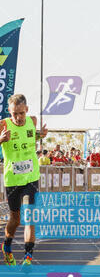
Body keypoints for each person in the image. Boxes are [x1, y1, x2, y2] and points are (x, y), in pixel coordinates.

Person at [0, 94, 47, 266]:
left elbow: (29, 138)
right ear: (9, 112)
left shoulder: (32, 121)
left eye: (21, 113)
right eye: (14, 114)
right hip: (12, 179)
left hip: (31, 177)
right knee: (15, 219)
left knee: (29, 216)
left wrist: (39, 136)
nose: (19, 118)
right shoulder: (3, 125)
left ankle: (28, 256)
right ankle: (7, 246)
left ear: (27, 109)